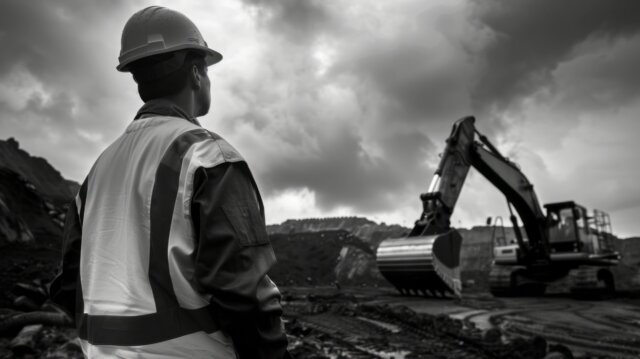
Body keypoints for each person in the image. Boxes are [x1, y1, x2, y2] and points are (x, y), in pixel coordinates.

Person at [48, 6, 289, 358]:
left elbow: (69, 283)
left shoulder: (98, 171)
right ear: (196, 74)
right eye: (207, 71)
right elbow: (243, 293)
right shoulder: (209, 156)